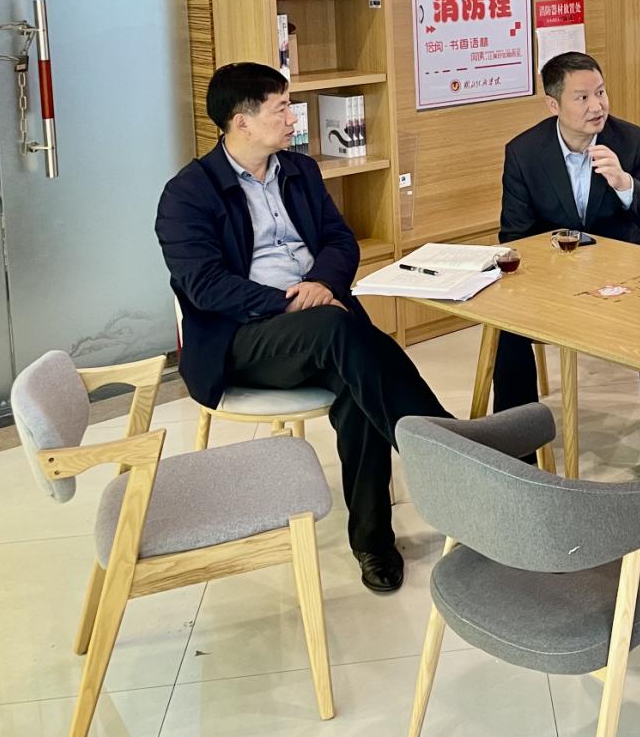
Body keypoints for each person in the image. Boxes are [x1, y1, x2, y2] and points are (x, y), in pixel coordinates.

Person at [156, 62, 451, 595]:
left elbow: (340, 240)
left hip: (322, 322)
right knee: (347, 335)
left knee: (358, 381)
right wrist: (290, 302)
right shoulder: (188, 194)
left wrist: (321, 283)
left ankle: (374, 542)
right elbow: (206, 287)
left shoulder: (299, 171)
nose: (293, 119)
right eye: (281, 109)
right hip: (242, 338)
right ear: (242, 122)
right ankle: (453, 455)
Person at [496, 51, 640, 474]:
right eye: (582, 98)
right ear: (554, 105)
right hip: (555, 279)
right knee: (507, 326)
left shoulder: (631, 140)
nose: (597, 106)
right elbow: (514, 236)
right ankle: (515, 443)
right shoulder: (525, 152)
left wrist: (624, 182)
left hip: (626, 277)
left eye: (600, 93)